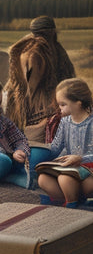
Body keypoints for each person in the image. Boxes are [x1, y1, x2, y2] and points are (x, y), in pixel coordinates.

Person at [5, 16, 75, 147]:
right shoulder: (36, 53)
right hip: (39, 107)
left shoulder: (49, 50)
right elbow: (29, 88)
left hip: (42, 105)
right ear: (52, 32)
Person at [37, 78, 93, 208]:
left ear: (78, 103)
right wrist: (36, 150)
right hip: (69, 168)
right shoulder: (65, 121)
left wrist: (80, 158)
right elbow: (55, 148)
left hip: (88, 169)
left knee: (65, 179)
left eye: (63, 104)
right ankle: (74, 200)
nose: (59, 108)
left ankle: (71, 205)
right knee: (43, 179)